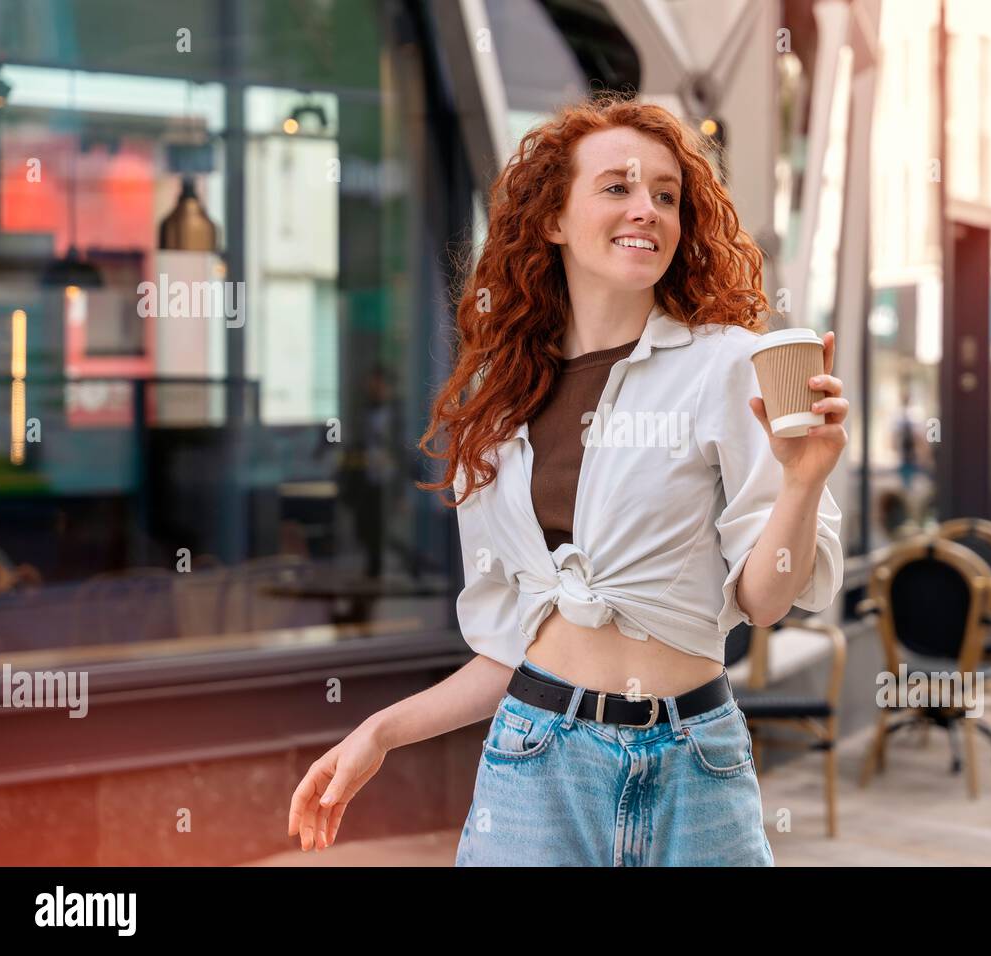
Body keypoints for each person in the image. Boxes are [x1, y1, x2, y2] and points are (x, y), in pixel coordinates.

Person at [287, 93, 846, 866]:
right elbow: (511, 647)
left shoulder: (727, 365)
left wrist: (802, 483)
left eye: (665, 194)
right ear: (552, 219)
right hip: (535, 764)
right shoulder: (499, 398)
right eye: (616, 187)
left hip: (698, 764)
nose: (644, 208)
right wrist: (379, 732)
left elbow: (764, 599)